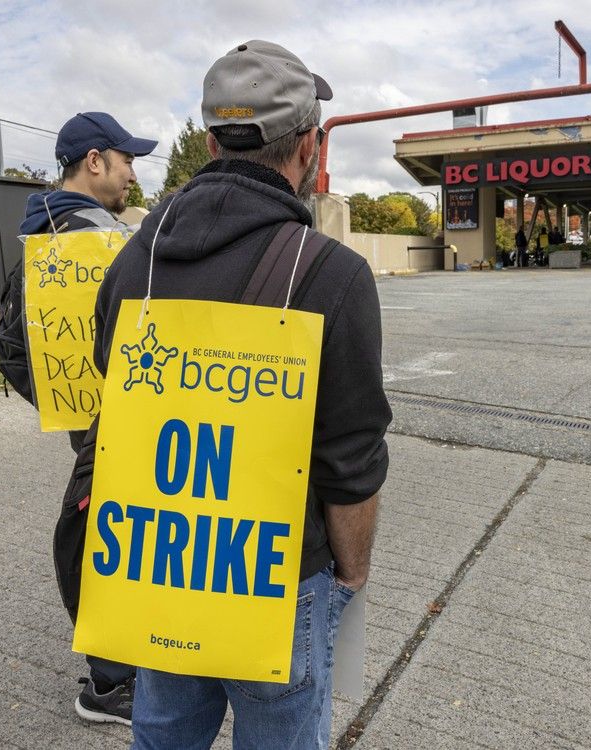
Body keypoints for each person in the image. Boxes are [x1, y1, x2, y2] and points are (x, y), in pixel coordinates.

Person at [90, 41, 391, 749]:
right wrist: (350, 577)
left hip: (163, 572)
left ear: (208, 140)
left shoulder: (134, 259)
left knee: (163, 736)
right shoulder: (333, 275)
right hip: (278, 582)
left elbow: (118, 395)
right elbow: (352, 463)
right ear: (310, 147)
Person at [18, 111, 157, 725]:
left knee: (111, 525)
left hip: (96, 413)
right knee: (96, 531)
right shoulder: (79, 236)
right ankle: (109, 685)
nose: (132, 172)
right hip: (112, 418)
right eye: (126, 159)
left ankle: (124, 664)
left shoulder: (51, 225)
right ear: (95, 160)